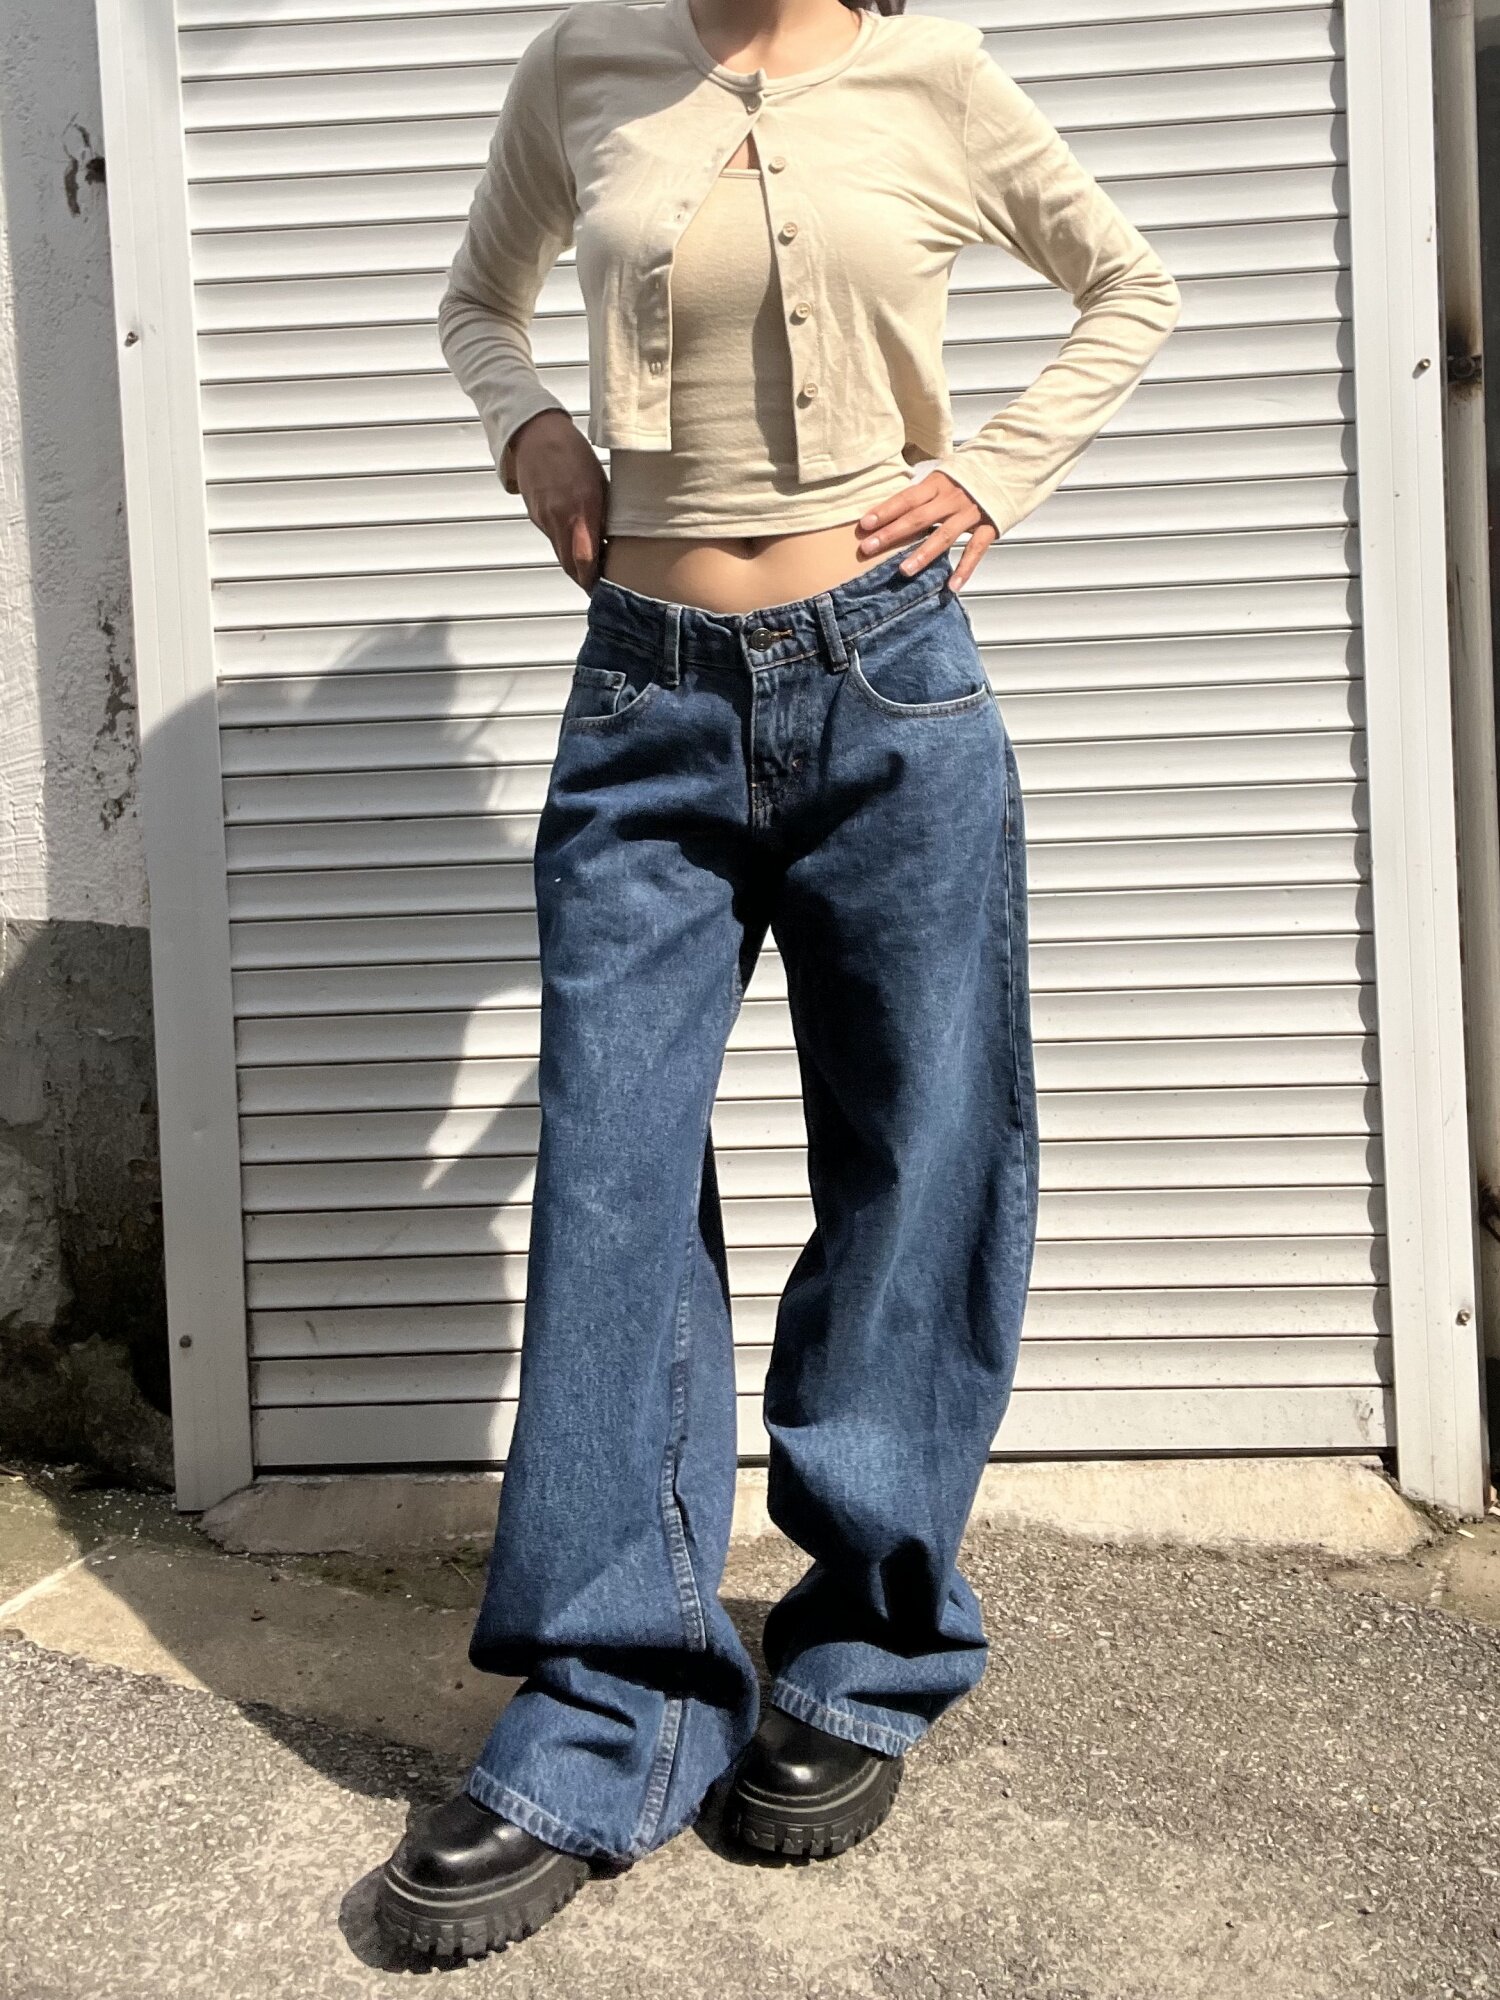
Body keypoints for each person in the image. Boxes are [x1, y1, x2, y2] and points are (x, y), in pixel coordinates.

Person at [375, 0, 1179, 1962]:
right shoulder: (586, 66)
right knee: (617, 1179)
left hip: (893, 684)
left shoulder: (936, 80)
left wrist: (991, 475)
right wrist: (533, 431)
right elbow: (479, 302)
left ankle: (869, 1645)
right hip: (644, 697)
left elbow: (1129, 286)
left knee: (915, 1161)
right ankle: (611, 1703)